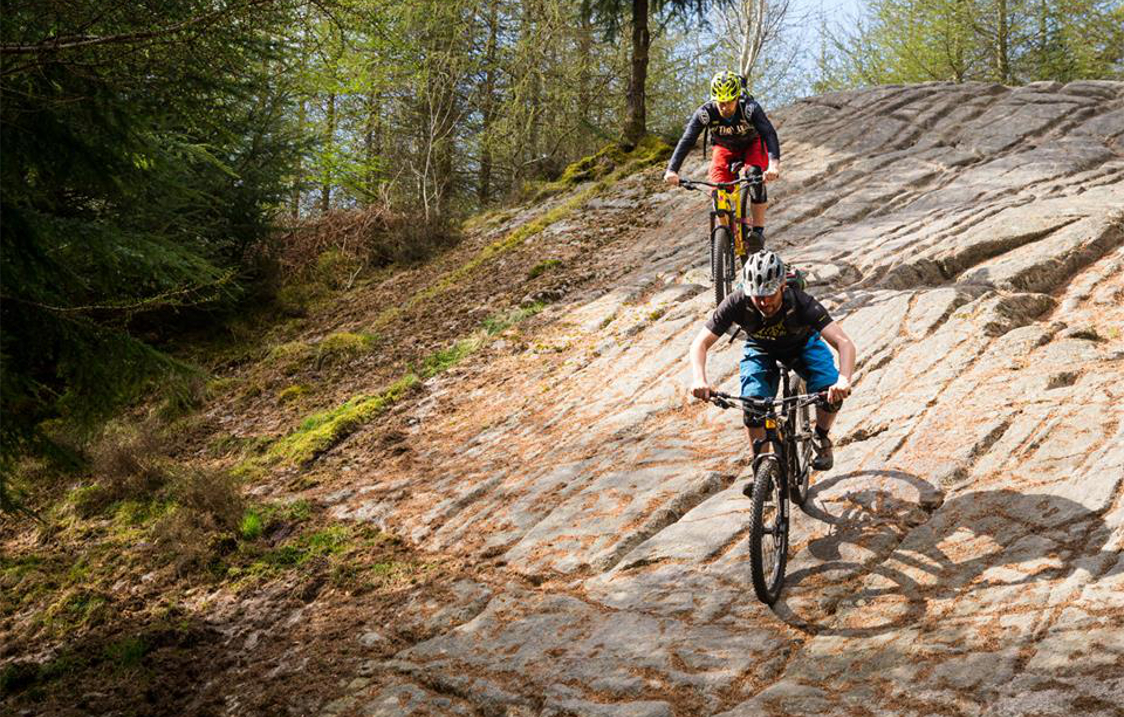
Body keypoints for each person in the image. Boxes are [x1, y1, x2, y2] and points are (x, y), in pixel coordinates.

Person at [688, 250, 855, 477]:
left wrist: (843, 380)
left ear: (783, 287)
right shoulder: (737, 302)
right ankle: (761, 472)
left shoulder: (802, 303)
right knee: (753, 407)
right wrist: (700, 379)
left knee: (829, 391)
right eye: (757, 296)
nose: (764, 302)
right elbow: (700, 343)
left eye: (770, 294)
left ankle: (821, 436)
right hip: (760, 348)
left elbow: (844, 343)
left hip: (803, 344)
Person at [664, 71, 781, 254]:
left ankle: (758, 232)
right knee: (718, 187)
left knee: (754, 176)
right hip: (724, 147)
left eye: (729, 102)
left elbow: (769, 133)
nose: (725, 107)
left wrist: (773, 165)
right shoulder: (705, 112)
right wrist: (672, 170)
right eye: (721, 102)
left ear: (737, 98)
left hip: (752, 144)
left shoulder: (750, 108)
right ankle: (725, 235)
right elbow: (687, 140)